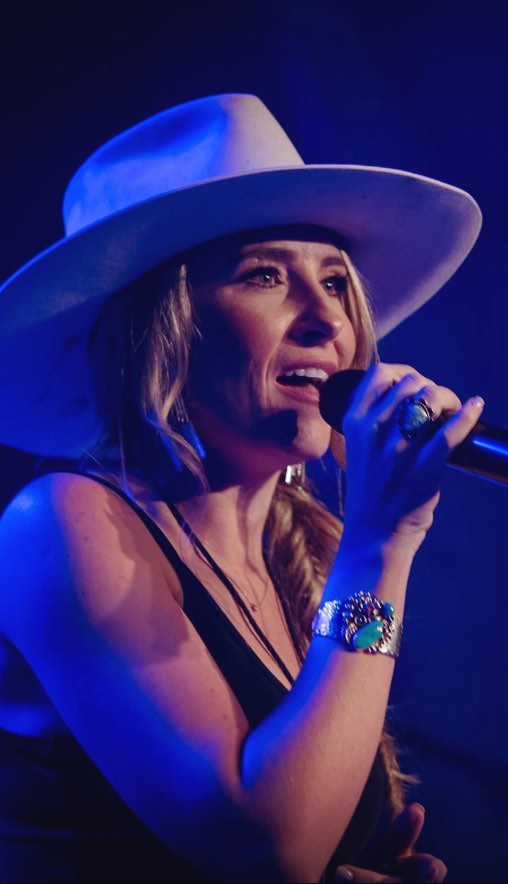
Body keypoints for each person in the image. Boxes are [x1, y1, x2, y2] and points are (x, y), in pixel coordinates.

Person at [0, 93, 483, 882]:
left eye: (335, 282)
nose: (326, 321)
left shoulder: (300, 562)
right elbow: (265, 850)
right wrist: (382, 542)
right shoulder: (56, 524)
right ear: (161, 329)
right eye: (264, 275)